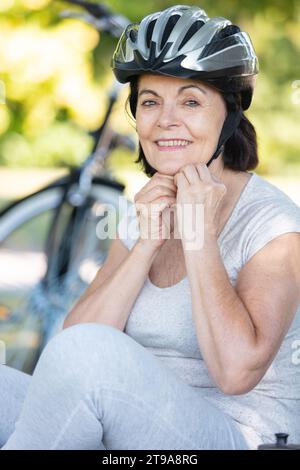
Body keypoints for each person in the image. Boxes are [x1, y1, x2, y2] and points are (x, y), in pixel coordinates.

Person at [1, 4, 300, 450]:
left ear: (230, 115)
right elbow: (71, 345)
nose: (165, 121)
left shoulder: (273, 225)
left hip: (239, 434)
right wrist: (145, 242)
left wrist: (198, 237)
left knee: (87, 358)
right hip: (131, 422)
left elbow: (238, 373)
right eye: (150, 102)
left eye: (191, 101)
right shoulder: (145, 209)